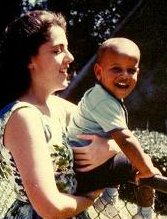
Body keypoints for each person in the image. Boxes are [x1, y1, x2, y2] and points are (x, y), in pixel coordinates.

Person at [0, 9, 108, 219]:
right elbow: (50, 208)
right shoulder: (23, 116)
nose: (70, 57)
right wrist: (90, 197)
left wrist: (108, 146)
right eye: (58, 50)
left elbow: (116, 130)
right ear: (29, 60)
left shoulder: (59, 107)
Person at [67, 37, 160, 219]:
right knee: (142, 162)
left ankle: (109, 197)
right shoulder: (103, 100)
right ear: (98, 71)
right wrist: (147, 168)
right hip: (85, 168)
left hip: (82, 166)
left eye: (131, 70)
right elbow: (125, 138)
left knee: (119, 153)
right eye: (116, 69)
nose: (124, 75)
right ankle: (144, 214)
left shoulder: (102, 95)